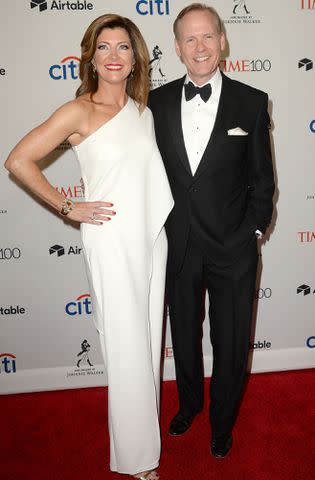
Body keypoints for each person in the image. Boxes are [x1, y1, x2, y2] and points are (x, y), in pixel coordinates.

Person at [5, 13, 173, 480]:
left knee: (146, 344)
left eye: (123, 47)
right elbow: (18, 159)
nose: (114, 56)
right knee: (125, 347)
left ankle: (144, 439)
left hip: (150, 239)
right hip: (112, 239)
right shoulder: (79, 111)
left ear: (135, 57)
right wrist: (67, 206)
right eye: (104, 47)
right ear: (91, 56)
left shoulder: (144, 113)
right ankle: (139, 462)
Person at [149, 3, 275, 458]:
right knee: (183, 334)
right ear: (177, 48)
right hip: (178, 246)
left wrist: (253, 232)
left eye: (208, 37)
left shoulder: (252, 100)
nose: (200, 47)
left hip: (233, 248)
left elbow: (263, 179)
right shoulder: (155, 102)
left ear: (222, 41)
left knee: (232, 339)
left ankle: (222, 423)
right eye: (190, 39)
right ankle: (188, 406)